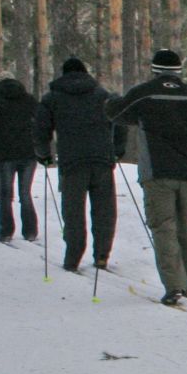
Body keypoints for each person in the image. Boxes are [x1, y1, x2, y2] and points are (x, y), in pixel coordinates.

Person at [105, 48, 187, 305]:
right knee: (186, 228)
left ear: (154, 69)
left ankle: (174, 285)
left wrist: (111, 99)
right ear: (180, 70)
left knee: (163, 228)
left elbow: (116, 113)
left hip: (157, 173)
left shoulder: (145, 93)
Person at [34, 57, 127, 272]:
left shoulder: (52, 98)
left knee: (73, 211)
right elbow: (120, 121)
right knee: (104, 210)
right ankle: (102, 254)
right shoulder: (103, 96)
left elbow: (40, 130)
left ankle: (73, 256)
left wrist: (44, 155)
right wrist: (117, 150)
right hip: (102, 160)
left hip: (71, 161)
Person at [0, 78, 40, 243]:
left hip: (5, 154)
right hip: (28, 153)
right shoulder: (30, 101)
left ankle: (5, 231)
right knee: (25, 193)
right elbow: (41, 121)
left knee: (6, 193)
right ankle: (30, 231)